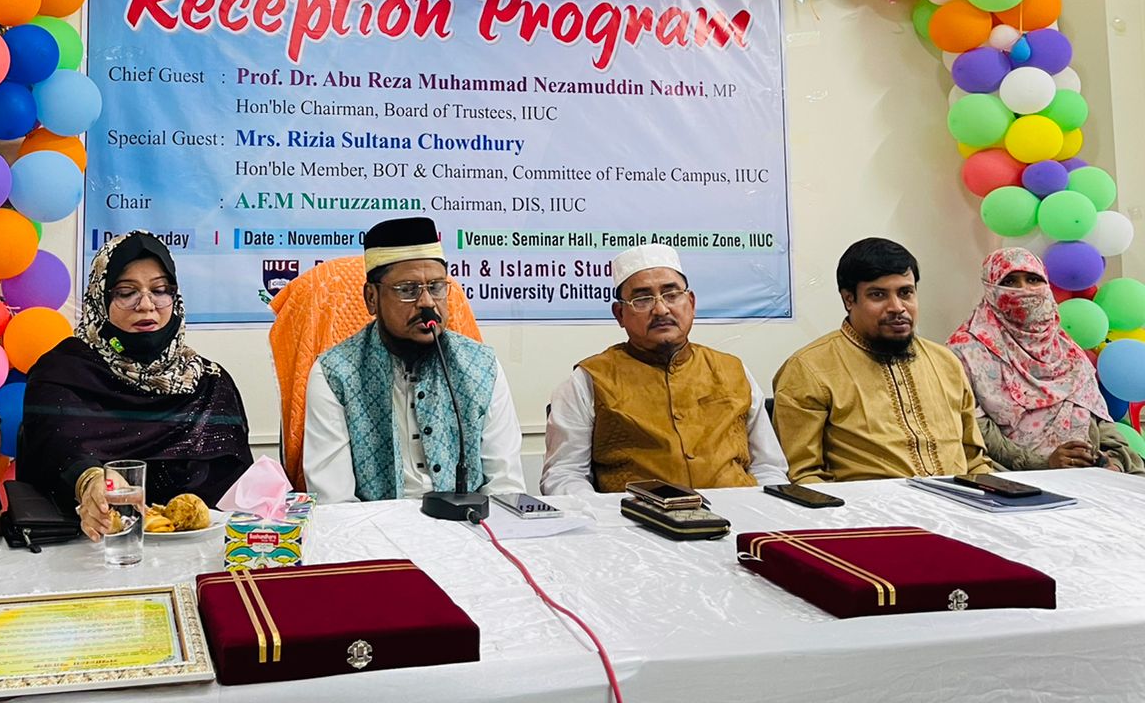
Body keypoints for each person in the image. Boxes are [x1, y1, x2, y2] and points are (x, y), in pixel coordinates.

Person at [20, 231, 253, 541]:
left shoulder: (210, 384)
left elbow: (243, 493)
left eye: (160, 290)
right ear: (101, 298)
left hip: (201, 552)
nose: (146, 305)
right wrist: (91, 481)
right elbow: (58, 447)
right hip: (93, 551)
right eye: (126, 292)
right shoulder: (61, 374)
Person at [303, 216, 525, 503]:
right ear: (371, 298)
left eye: (436, 287)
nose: (427, 302)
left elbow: (506, 487)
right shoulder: (335, 373)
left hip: (468, 526)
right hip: (375, 528)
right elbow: (335, 502)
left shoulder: (482, 366)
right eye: (407, 290)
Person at [541, 243, 788, 494]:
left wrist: (760, 512)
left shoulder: (733, 370)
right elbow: (564, 475)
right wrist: (604, 515)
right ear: (620, 314)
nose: (660, 309)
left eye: (671, 294)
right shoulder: (588, 380)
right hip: (632, 517)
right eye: (642, 299)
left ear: (691, 303)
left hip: (737, 513)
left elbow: (769, 467)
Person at [773, 237, 990, 482]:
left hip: (960, 502)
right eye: (878, 295)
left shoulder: (946, 362)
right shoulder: (809, 369)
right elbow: (802, 476)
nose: (897, 307)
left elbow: (975, 462)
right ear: (848, 299)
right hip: (865, 505)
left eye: (906, 293)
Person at [949, 247, 1144, 474]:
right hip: (1014, 478)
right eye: (1009, 281)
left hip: (1089, 475)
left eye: (1033, 279)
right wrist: (1044, 464)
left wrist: (1113, 461)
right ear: (990, 287)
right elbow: (974, 430)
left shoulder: (1065, 349)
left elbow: (1099, 417)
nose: (1024, 290)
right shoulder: (965, 351)